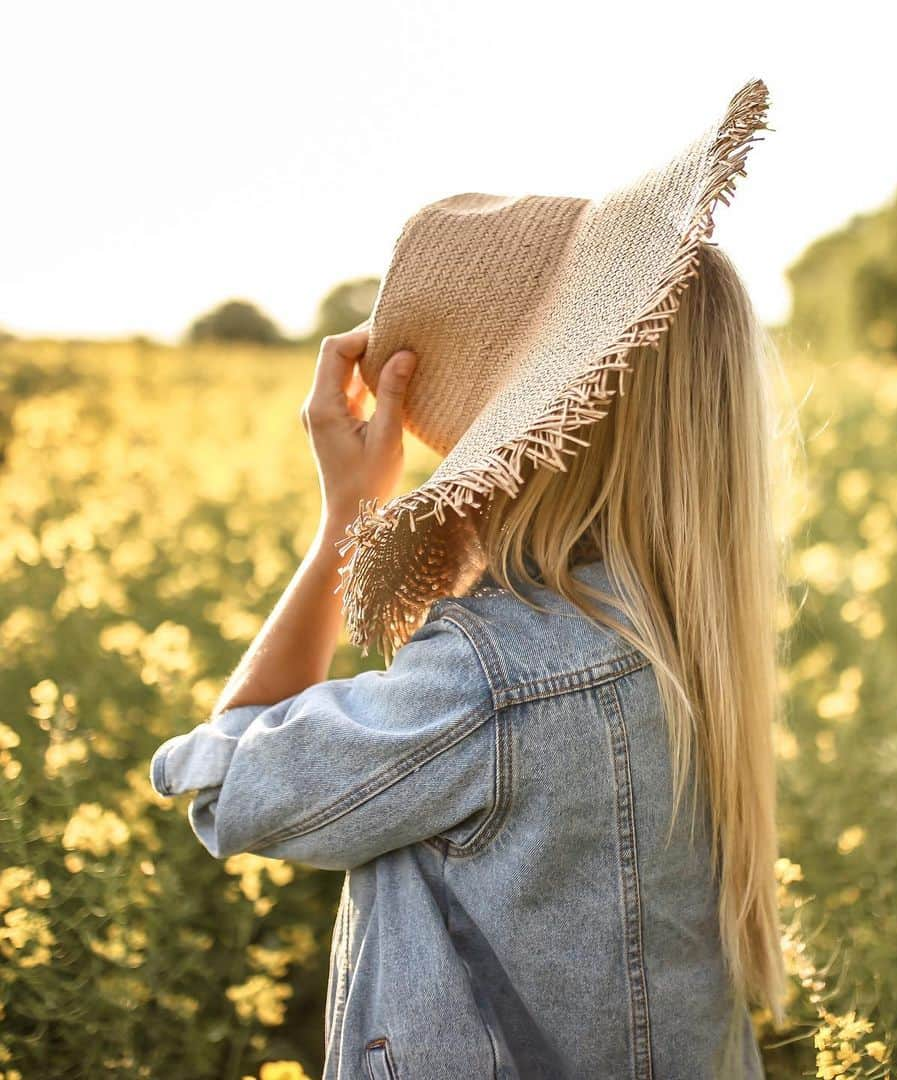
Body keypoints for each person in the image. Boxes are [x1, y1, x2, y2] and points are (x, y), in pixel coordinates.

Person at [150, 78, 789, 1079]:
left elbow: (224, 789)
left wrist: (344, 529)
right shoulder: (683, 643)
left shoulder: (493, 682)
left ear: (523, 442)